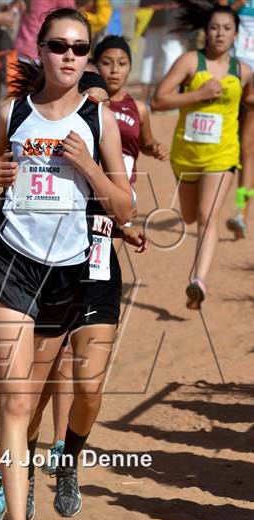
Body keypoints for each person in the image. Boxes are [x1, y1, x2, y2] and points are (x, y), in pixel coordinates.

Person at [0, 8, 134, 520]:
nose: (69, 55)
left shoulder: (96, 119)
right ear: (39, 50)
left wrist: (88, 164)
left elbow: (126, 206)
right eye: (58, 45)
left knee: (54, 390)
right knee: (16, 398)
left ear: (87, 57)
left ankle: (4, 465)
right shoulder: (14, 111)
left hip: (70, 268)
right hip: (12, 259)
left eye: (79, 48)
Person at [35, 35, 167, 479]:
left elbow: (114, 198)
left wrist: (122, 226)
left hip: (97, 252)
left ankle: (65, 453)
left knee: (84, 376)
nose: (94, 111)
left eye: (100, 104)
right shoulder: (51, 134)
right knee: (50, 368)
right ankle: (33, 455)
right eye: (88, 102)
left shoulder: (113, 124)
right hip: (47, 259)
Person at [151, 2, 254, 309]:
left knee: (208, 219)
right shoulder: (189, 62)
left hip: (222, 156)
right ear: (205, 32)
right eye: (214, 28)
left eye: (226, 29)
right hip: (186, 155)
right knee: (190, 216)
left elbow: (249, 98)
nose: (220, 34)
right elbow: (158, 101)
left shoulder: (243, 71)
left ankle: (198, 281)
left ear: (237, 34)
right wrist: (197, 95)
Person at [226, 0, 254, 238]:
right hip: (233, 72)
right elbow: (220, 16)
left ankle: (241, 212)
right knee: (228, 145)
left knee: (247, 149)